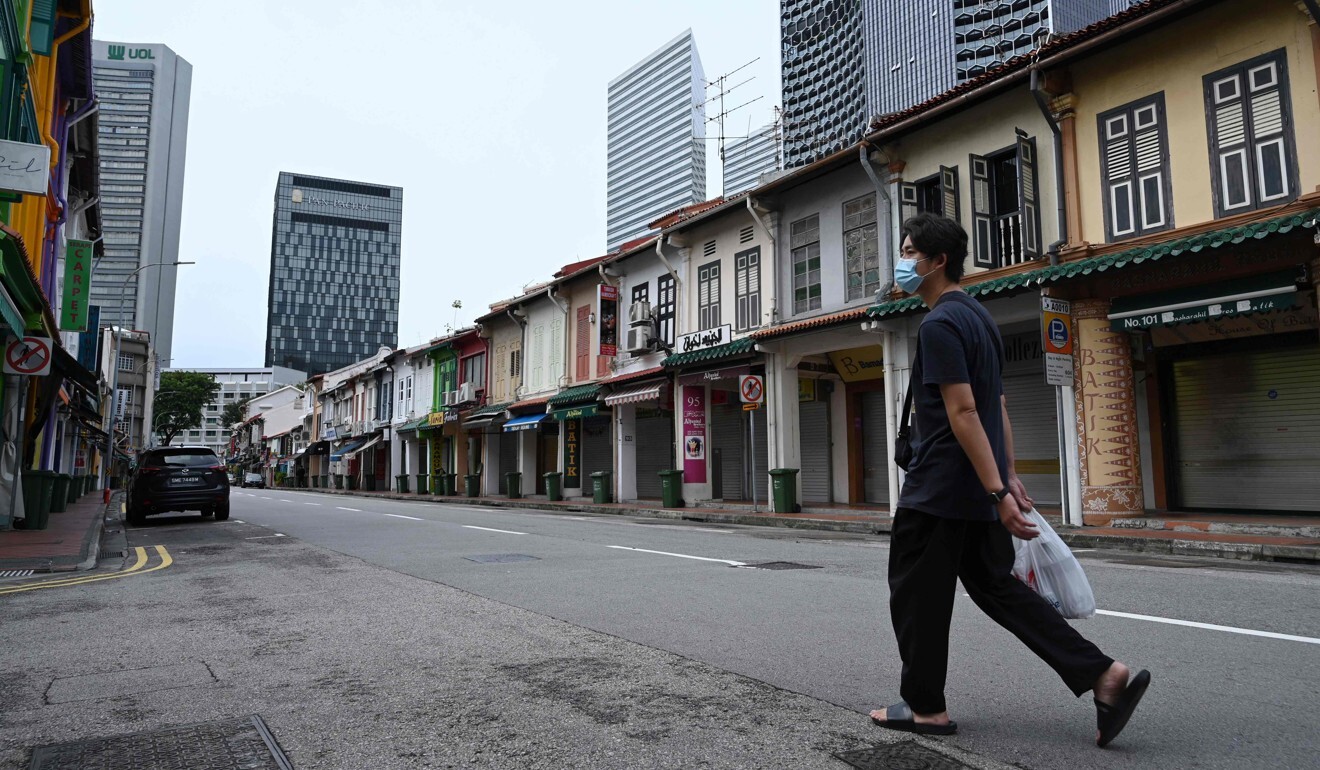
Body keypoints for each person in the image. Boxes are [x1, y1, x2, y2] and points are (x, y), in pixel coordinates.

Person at [869, 213, 1150, 748]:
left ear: (937, 261)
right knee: (998, 587)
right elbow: (999, 407)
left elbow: (966, 411)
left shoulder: (940, 325)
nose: (902, 262)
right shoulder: (979, 318)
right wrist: (1007, 476)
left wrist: (1001, 491)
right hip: (974, 486)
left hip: (939, 491)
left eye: (909, 252)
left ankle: (925, 708)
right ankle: (1103, 674)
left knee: (916, 597)